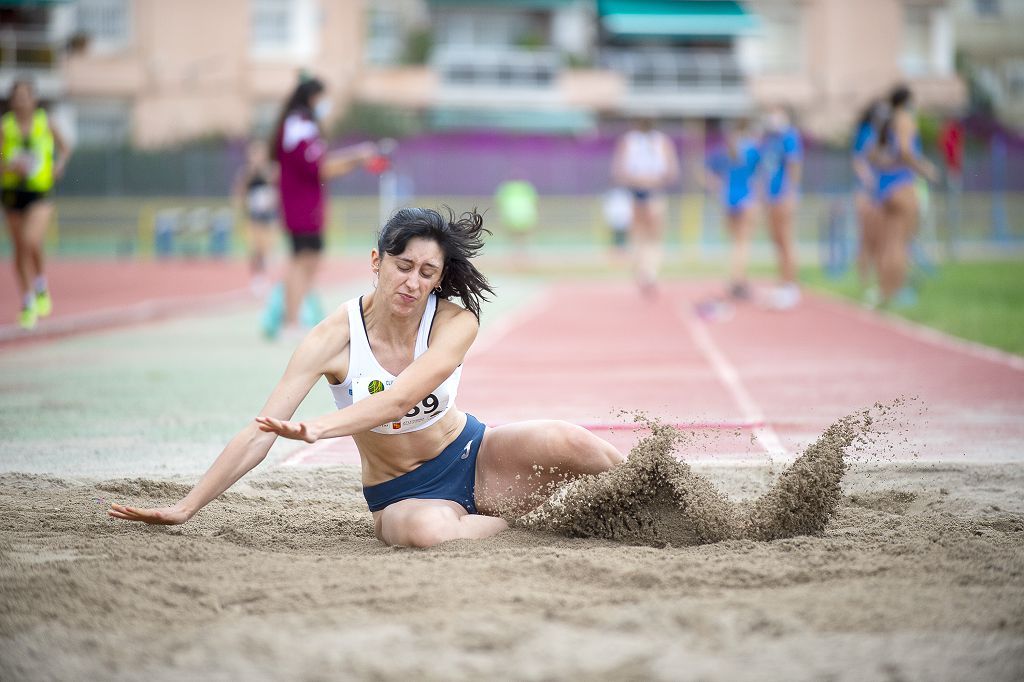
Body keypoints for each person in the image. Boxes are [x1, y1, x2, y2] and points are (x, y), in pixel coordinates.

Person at [109, 207, 626, 547]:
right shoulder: (331, 339)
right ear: (376, 261)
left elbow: (400, 400)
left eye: (427, 274)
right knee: (426, 533)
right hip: (402, 494)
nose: (412, 283)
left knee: (571, 441)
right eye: (403, 266)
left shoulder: (454, 321)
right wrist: (185, 507)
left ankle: (664, 491)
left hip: (477, 456)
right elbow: (259, 432)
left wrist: (318, 429)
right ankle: (536, 525)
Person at [267, 75, 378, 339]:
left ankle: (292, 317)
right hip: (301, 206)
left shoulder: (297, 125)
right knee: (302, 260)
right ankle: (290, 320)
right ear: (312, 98)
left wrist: (355, 158)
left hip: (304, 205)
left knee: (308, 260)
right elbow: (320, 168)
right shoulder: (300, 127)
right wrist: (357, 157)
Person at [1, 78, 71, 330]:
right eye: (16, 96)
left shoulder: (45, 122)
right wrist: (8, 166)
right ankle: (27, 301)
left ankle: (41, 285)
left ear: (34, 99)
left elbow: (65, 149)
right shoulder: (5, 127)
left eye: (25, 95)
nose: (20, 100)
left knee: (32, 240)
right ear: (11, 100)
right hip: (12, 192)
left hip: (40, 192)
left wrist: (58, 165)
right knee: (19, 248)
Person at [869, 85, 937, 307]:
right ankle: (898, 291)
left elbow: (872, 154)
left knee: (890, 242)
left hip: (885, 187)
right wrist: (925, 168)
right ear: (907, 100)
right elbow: (906, 151)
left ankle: (885, 290)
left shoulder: (886, 122)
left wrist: (887, 164)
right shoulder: (905, 119)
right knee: (901, 243)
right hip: (902, 185)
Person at [612, 117, 680, 297]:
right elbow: (672, 171)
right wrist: (651, 180)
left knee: (640, 235)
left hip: (637, 190)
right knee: (653, 237)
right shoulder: (661, 141)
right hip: (651, 191)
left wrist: (638, 179)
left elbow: (619, 170)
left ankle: (643, 271)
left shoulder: (629, 141)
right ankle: (648, 272)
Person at [701, 119, 761, 301]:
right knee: (743, 243)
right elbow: (760, 175)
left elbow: (705, 170)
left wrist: (717, 186)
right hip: (745, 199)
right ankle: (738, 280)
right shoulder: (751, 151)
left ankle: (736, 278)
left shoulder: (725, 151)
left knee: (735, 242)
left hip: (728, 198)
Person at [759, 106, 803, 309]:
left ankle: (790, 285)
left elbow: (794, 165)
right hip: (772, 196)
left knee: (785, 239)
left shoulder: (790, 137)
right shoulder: (770, 140)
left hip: (783, 196)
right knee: (777, 239)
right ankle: (783, 281)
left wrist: (790, 193)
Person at [232, 139, 278, 295]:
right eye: (255, 154)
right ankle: (257, 279)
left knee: (266, 249)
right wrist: (239, 208)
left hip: (269, 217)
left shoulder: (270, 171)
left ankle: (264, 276)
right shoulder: (247, 172)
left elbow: (277, 187)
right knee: (255, 249)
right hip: (254, 217)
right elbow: (240, 191)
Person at [851, 99, 883, 303]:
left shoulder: (886, 133)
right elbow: (858, 161)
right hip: (866, 192)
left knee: (882, 239)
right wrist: (869, 181)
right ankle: (865, 282)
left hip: (883, 191)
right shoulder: (864, 132)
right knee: (866, 239)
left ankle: (882, 281)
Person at [493, 176, 538, 264]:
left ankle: (514, 256)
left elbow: (499, 201)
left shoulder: (506, 188)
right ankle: (523, 256)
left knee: (513, 236)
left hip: (511, 216)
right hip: (525, 216)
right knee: (523, 237)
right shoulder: (526, 187)